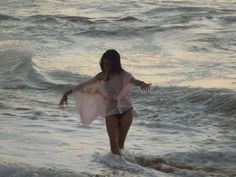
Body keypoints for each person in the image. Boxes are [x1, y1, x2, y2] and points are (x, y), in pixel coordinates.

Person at [59, 49, 151, 155]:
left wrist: (142, 83)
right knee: (114, 146)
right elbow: (84, 85)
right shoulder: (101, 75)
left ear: (115, 63)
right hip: (111, 111)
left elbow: (134, 81)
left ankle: (123, 168)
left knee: (120, 145)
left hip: (126, 111)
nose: (105, 66)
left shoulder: (124, 75)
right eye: (104, 63)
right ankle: (119, 165)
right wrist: (67, 93)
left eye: (108, 64)